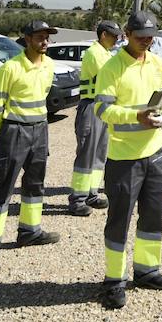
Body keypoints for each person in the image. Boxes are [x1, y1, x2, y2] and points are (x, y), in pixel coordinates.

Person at [95, 11, 162, 310]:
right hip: (124, 158)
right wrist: (135, 117)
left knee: (153, 215)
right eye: (141, 36)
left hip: (155, 153)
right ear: (127, 34)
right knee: (119, 220)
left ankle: (147, 271)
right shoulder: (112, 66)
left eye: (150, 37)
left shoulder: (156, 62)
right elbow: (102, 110)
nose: (146, 41)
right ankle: (114, 281)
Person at [0, 21, 62, 271]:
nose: (45, 42)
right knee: (2, 186)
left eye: (47, 37)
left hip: (40, 129)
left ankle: (30, 231)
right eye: (39, 37)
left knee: (35, 183)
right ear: (27, 39)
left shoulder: (49, 65)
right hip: (14, 130)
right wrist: (8, 129)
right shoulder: (10, 68)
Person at [69, 20, 120, 217]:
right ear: (103, 35)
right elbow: (109, 77)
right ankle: (77, 199)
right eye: (113, 35)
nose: (117, 39)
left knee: (99, 153)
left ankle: (92, 193)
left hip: (102, 107)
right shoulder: (94, 53)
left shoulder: (106, 53)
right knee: (86, 154)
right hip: (91, 107)